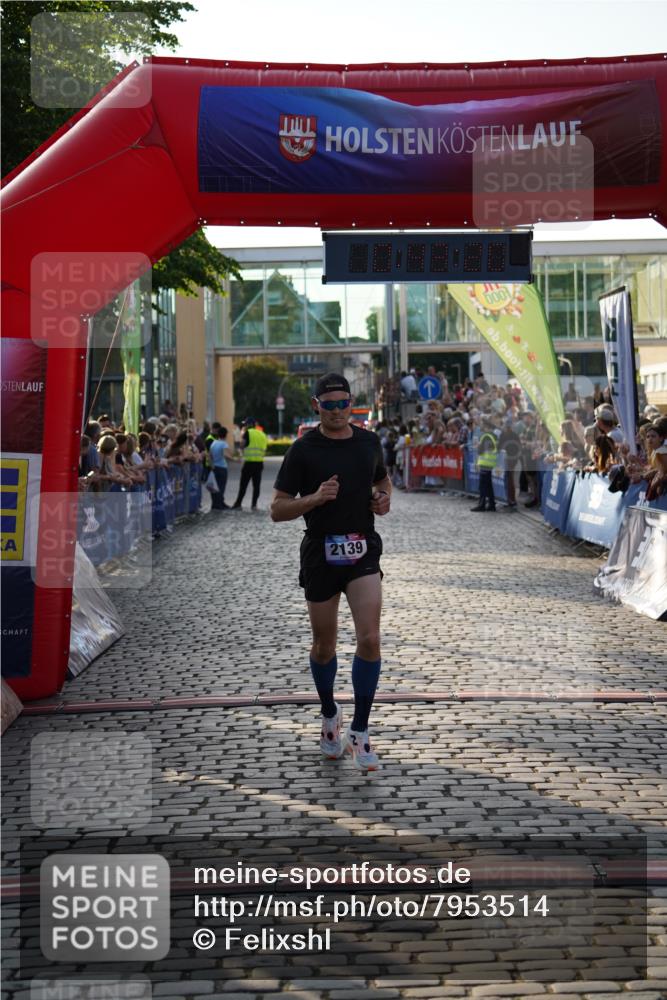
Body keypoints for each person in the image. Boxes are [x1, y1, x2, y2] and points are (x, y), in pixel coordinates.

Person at [270, 373, 392, 771]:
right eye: (331, 405)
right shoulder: (303, 450)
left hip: (362, 550)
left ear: (352, 403)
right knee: (324, 645)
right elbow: (276, 509)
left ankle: (359, 729)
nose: (339, 411)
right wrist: (315, 498)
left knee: (370, 639)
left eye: (345, 404)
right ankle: (329, 716)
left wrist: (383, 499)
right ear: (316, 405)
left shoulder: (368, 441)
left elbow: (382, 479)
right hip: (320, 552)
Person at [232, 418, 268, 510]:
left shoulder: (247, 433)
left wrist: (242, 435)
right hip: (259, 463)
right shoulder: (262, 434)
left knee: (243, 484)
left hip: (249, 463)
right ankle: (254, 505)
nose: (244, 426)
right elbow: (264, 449)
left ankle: (238, 503)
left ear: (248, 425)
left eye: (245, 424)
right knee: (256, 485)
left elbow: (242, 445)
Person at [471, 416, 498, 512]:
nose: (481, 426)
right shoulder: (494, 435)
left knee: (483, 486)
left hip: (485, 463)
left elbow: (481, 451)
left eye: (482, 424)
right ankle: (491, 504)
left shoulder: (485, 436)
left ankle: (482, 504)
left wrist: (478, 446)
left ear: (486, 426)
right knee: (489, 485)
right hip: (491, 463)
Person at [208, 426, 231, 511]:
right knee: (221, 487)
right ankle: (219, 505)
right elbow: (225, 454)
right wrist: (235, 459)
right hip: (222, 467)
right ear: (226, 435)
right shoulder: (224, 443)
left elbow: (209, 455)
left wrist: (212, 465)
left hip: (215, 467)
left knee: (214, 486)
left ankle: (215, 504)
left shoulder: (214, 443)